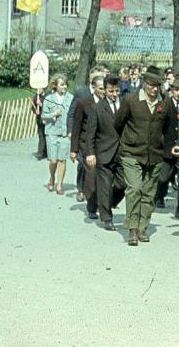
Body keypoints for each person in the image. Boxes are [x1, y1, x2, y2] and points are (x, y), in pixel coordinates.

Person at [114, 66, 167, 247]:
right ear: (145, 83)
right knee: (135, 188)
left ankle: (143, 226)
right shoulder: (130, 100)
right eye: (152, 85)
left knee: (149, 192)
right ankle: (132, 229)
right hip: (131, 152)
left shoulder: (165, 103)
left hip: (155, 155)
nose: (155, 89)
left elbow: (168, 128)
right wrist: (127, 142)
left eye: (158, 86)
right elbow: (118, 123)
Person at [84, 75, 126, 231]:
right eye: (111, 91)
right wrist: (90, 153)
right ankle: (107, 217)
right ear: (105, 90)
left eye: (117, 91)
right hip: (103, 153)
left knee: (123, 184)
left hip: (122, 152)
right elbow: (90, 134)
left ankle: (108, 203)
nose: (114, 94)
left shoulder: (125, 105)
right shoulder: (97, 108)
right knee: (105, 186)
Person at [69, 75, 106, 219]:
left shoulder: (109, 103)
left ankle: (103, 204)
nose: (103, 91)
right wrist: (73, 149)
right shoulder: (84, 103)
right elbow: (77, 126)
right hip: (86, 145)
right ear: (94, 87)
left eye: (105, 88)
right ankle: (92, 206)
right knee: (91, 175)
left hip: (103, 145)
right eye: (101, 88)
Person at [154, 77, 179, 211]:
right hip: (167, 148)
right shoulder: (164, 104)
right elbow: (159, 128)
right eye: (176, 90)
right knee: (163, 178)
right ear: (172, 90)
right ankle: (160, 196)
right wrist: (165, 146)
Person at [42, 74, 73, 195]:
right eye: (62, 84)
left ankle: (59, 184)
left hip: (65, 134)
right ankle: (52, 177)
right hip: (52, 133)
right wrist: (53, 114)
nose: (64, 86)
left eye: (65, 84)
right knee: (53, 160)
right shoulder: (49, 98)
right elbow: (43, 115)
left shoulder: (71, 98)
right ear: (55, 85)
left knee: (62, 160)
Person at [30, 87, 47, 160]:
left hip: (46, 118)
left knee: (46, 135)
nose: (38, 90)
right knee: (41, 134)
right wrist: (35, 110)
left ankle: (45, 152)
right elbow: (33, 107)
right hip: (39, 119)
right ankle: (41, 152)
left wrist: (41, 105)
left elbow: (49, 107)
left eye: (40, 89)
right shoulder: (36, 97)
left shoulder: (47, 97)